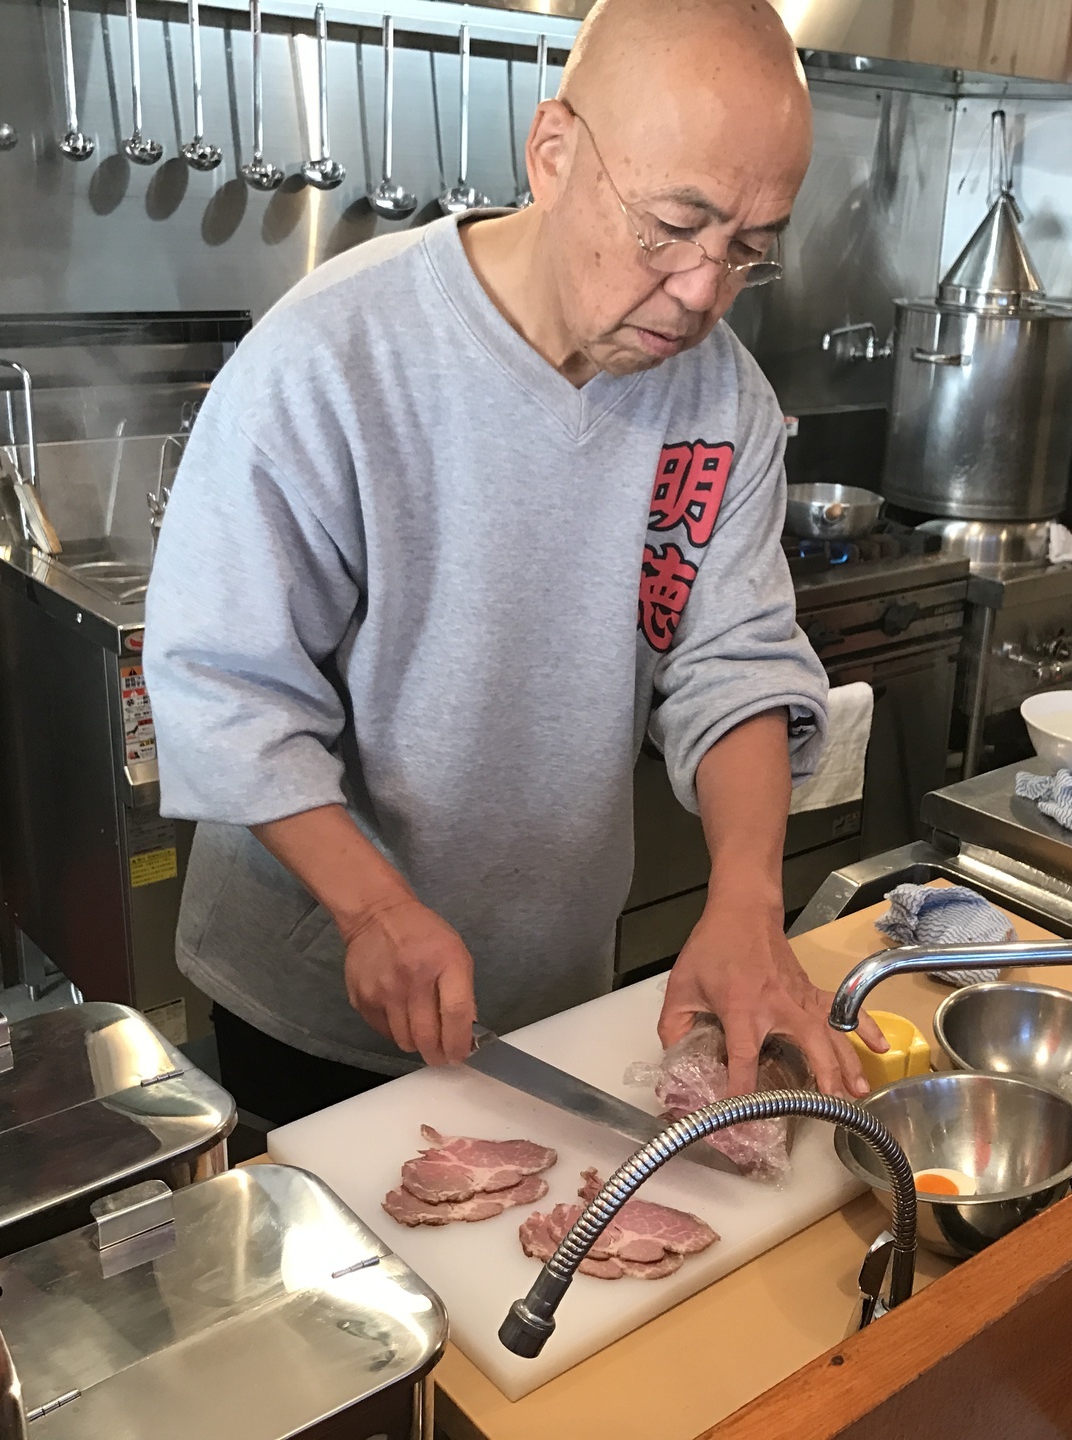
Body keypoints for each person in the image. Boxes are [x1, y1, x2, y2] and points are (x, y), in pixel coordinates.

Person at [144, 0, 884, 1125]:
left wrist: (747, 896)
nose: (700, 292)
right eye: (672, 225)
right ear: (552, 154)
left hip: (555, 987)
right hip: (320, 990)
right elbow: (222, 683)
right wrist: (368, 910)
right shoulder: (335, 355)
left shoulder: (723, 397)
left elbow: (732, 658)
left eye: (745, 250)